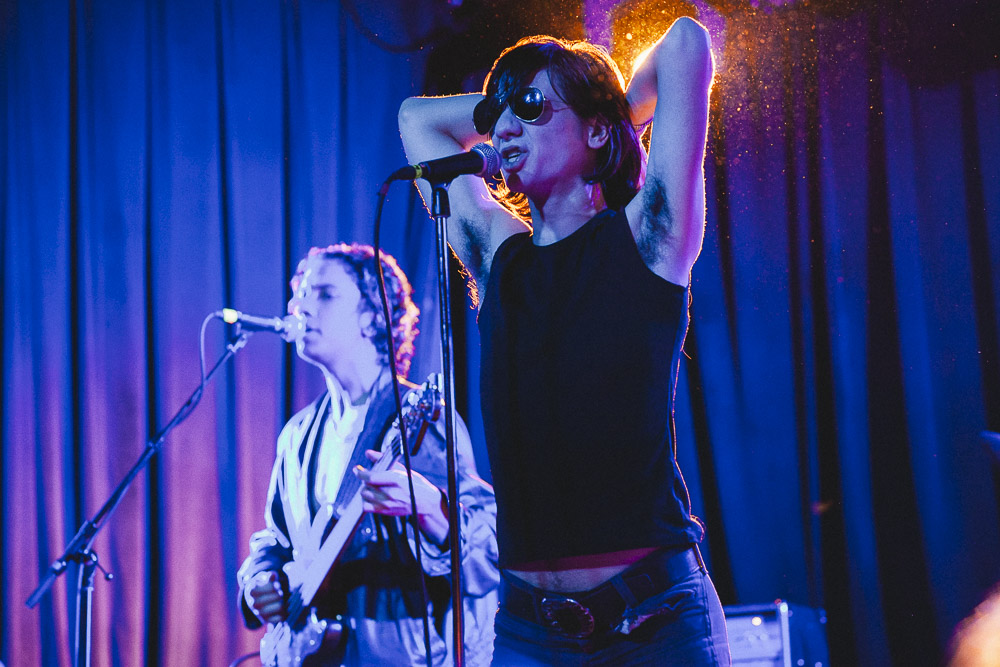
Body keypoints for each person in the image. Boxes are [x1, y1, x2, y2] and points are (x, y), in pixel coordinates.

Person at [398, 16, 730, 664]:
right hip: (529, 632)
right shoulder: (501, 259)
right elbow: (418, 120)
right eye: (499, 115)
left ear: (599, 129)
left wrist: (604, 101)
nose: (505, 129)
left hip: (655, 624)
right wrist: (523, 107)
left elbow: (687, 42)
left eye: (529, 107)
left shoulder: (649, 237)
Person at [237, 243, 499, 666]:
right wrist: (259, 579)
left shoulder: (418, 416)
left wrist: (434, 513)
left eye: (322, 293)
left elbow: (488, 547)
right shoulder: (297, 435)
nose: (299, 305)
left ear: (372, 315)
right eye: (298, 292)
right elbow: (276, 539)